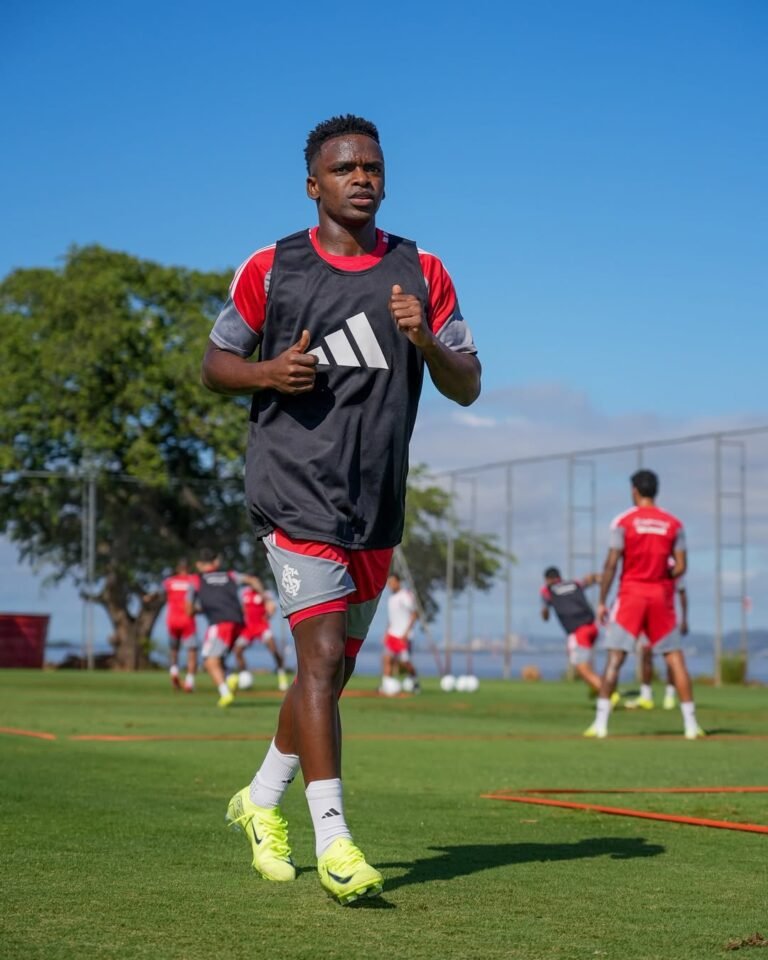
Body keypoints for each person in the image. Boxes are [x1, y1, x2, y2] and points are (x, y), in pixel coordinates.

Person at [201, 114, 481, 904]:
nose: (362, 178)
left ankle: (259, 800)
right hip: (292, 490)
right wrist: (266, 374)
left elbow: (468, 383)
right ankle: (335, 841)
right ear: (313, 184)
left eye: (373, 167)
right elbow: (214, 363)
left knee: (333, 671)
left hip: (376, 502)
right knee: (320, 659)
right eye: (345, 167)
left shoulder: (424, 270)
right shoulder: (272, 267)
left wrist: (426, 342)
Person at [585, 469, 704, 740]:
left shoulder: (624, 521)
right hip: (661, 595)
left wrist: (602, 601)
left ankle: (600, 725)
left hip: (631, 594)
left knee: (616, 657)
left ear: (634, 491)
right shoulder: (674, 523)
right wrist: (662, 575)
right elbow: (681, 566)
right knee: (674, 658)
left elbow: (611, 564)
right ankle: (691, 726)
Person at [188, 549, 264, 708]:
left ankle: (225, 693)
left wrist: (199, 609)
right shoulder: (230, 575)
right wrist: (265, 599)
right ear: (216, 562)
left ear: (199, 564)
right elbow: (253, 580)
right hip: (238, 624)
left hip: (220, 624)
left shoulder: (195, 580)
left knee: (209, 661)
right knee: (219, 659)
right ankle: (230, 678)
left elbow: (188, 609)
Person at [539, 566, 619, 704]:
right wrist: (602, 579)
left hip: (578, 631)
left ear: (547, 579)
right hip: (592, 627)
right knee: (586, 664)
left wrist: (545, 612)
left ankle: (607, 694)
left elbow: (545, 613)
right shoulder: (574, 584)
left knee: (581, 668)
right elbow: (590, 578)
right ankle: (596, 688)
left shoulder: (547, 590)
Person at [625, 575, 689, 711]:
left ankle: (670, 696)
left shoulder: (673, 571)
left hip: (667, 620)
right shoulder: (646, 571)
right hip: (648, 618)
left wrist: (684, 619)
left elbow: (682, 594)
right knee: (646, 655)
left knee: (671, 658)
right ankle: (646, 696)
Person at [236, 578, 289, 692]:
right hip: (249, 628)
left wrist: (269, 612)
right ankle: (245, 676)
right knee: (238, 650)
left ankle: (281, 674)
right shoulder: (245, 593)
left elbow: (272, 607)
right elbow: (242, 609)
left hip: (262, 627)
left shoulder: (265, 594)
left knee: (273, 649)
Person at [161, 560, 199, 692]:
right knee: (192, 651)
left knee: (174, 649)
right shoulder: (193, 580)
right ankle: (189, 681)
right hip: (187, 620)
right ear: (189, 568)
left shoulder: (169, 582)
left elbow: (162, 594)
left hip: (172, 620)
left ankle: (174, 671)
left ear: (177, 568)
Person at [380, 573, 420, 695]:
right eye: (388, 583)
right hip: (392, 634)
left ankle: (414, 680)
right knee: (387, 658)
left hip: (403, 636)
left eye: (392, 582)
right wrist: (386, 633)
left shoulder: (406, 596)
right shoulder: (391, 598)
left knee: (405, 662)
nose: (390, 585)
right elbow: (391, 618)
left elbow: (414, 614)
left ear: (398, 582)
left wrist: (406, 633)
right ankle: (386, 685)